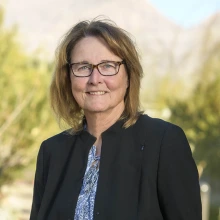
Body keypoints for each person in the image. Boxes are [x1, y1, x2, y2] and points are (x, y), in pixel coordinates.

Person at [30, 18, 202, 220]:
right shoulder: (52, 152)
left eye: (108, 65)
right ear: (68, 77)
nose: (95, 79)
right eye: (83, 67)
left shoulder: (164, 142)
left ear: (129, 76)